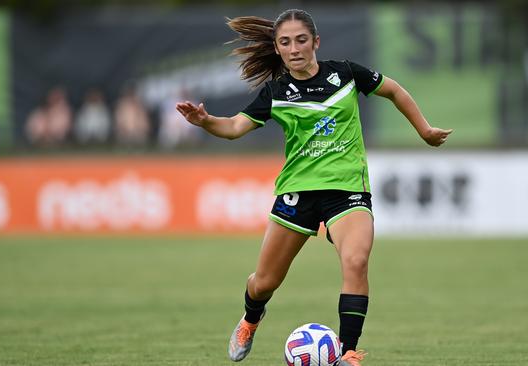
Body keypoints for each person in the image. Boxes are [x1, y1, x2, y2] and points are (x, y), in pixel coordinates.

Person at [176, 9, 452, 365]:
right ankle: (250, 319)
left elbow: (395, 91)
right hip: (298, 192)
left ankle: (348, 352)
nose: (294, 48)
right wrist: (206, 121)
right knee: (264, 282)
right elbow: (232, 128)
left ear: (316, 42)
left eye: (301, 40)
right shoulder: (275, 92)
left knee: (356, 260)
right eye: (286, 42)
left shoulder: (347, 74)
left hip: (347, 188)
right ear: (277, 49)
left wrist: (425, 130)